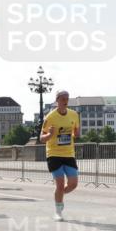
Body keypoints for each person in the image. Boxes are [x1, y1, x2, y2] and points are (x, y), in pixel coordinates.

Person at [39, 90, 80, 221]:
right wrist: (50, 135)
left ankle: (59, 196)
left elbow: (76, 131)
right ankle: (58, 210)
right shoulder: (50, 117)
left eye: (67, 98)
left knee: (73, 184)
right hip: (54, 154)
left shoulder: (74, 115)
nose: (65, 100)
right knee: (60, 184)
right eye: (63, 98)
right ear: (57, 100)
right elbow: (41, 138)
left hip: (69, 154)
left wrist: (76, 134)